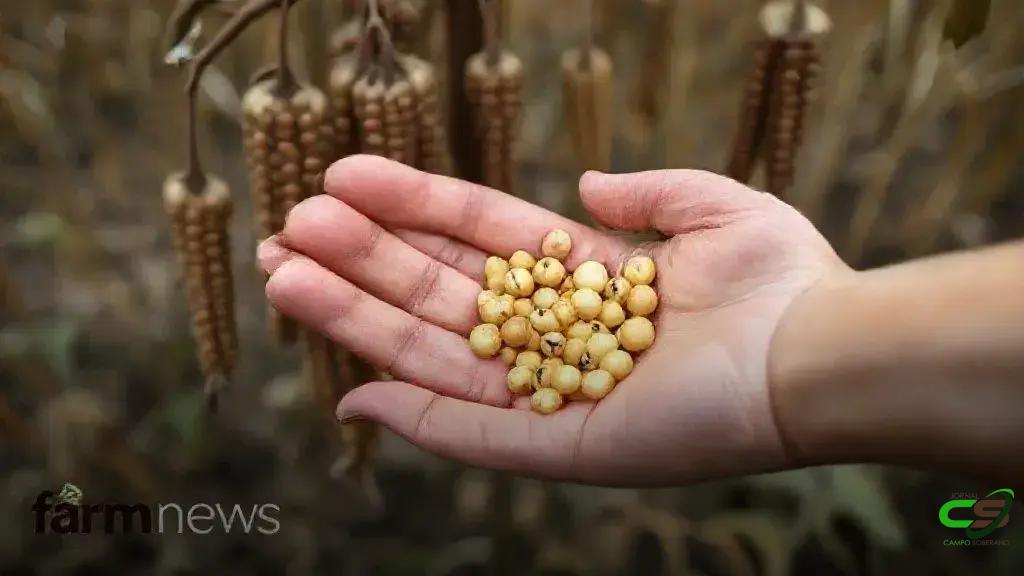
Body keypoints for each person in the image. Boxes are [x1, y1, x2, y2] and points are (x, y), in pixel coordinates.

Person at [257, 155, 1024, 485]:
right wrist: (803, 332)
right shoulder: (546, 318)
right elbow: (545, 332)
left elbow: (551, 334)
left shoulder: (560, 322)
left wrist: (797, 336)